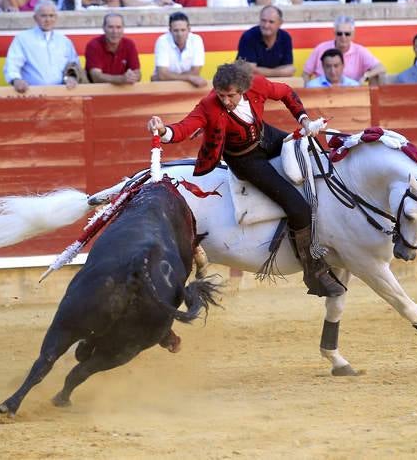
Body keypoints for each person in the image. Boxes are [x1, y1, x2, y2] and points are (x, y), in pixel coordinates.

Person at [147, 60, 346, 298]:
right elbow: (183, 128)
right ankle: (313, 272)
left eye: (230, 96)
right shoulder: (210, 105)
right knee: (298, 207)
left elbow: (285, 92)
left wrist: (304, 120)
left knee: (315, 157)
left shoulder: (257, 85)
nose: (225, 101)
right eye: (221, 95)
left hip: (267, 137)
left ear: (243, 89)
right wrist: (162, 130)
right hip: (246, 161)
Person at [3, 0, 82, 93]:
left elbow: (74, 65)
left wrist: (72, 77)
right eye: (43, 16)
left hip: (62, 93)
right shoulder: (23, 39)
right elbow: (12, 64)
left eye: (51, 16)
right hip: (31, 94)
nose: (48, 19)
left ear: (56, 18)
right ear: (35, 18)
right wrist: (16, 80)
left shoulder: (64, 41)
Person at [303, 17, 385, 83]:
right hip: (323, 92)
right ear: (334, 34)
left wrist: (365, 76)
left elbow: (380, 68)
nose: (343, 37)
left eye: (347, 34)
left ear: (353, 35)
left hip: (351, 93)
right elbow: (305, 73)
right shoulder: (320, 49)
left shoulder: (360, 51)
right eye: (339, 33)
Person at [237, 5, 295, 77]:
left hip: (277, 83)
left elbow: (290, 70)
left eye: (271, 22)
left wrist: (259, 71)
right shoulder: (248, 36)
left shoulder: (285, 37)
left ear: (280, 23)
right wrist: (280, 72)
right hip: (251, 83)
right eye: (263, 21)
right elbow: (248, 71)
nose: (266, 25)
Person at [84, 12, 141, 85]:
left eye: (118, 27)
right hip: (98, 93)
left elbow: (137, 73)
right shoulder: (94, 45)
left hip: (123, 92)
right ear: (104, 28)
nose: (115, 31)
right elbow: (96, 77)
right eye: (111, 27)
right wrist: (121, 79)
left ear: (123, 29)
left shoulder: (129, 44)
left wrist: (133, 77)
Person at [153, 12, 207, 87]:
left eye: (183, 30)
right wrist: (189, 77)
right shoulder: (162, 40)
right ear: (170, 30)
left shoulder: (196, 40)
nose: (180, 34)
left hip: (183, 86)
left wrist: (167, 76)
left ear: (189, 29)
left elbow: (195, 72)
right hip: (164, 87)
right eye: (176, 30)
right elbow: (163, 75)